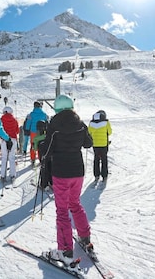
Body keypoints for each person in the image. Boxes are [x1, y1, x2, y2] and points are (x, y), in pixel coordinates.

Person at [41, 94, 94, 265]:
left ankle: (65, 250)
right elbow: (88, 143)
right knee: (75, 203)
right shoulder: (79, 123)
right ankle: (85, 236)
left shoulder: (54, 124)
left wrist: (42, 145)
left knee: (62, 210)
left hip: (61, 172)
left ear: (57, 108)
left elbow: (47, 150)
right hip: (78, 171)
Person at [87, 110, 112, 182]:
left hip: (95, 144)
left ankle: (96, 175)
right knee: (104, 159)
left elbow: (89, 133)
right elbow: (110, 132)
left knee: (96, 159)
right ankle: (104, 175)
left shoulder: (91, 123)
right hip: (104, 144)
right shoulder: (106, 122)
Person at [0, 106, 19, 183]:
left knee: (4, 157)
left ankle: (2, 175)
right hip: (13, 139)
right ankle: (12, 175)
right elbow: (17, 131)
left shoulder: (1, 119)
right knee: (12, 157)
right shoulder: (14, 120)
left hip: (4, 140)